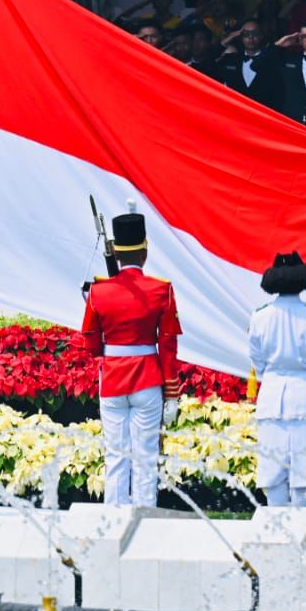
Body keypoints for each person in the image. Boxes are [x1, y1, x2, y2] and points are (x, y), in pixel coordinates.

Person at [80, 209, 183, 508]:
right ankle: (144, 516)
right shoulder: (161, 290)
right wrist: (172, 393)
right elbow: (167, 345)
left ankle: (113, 518)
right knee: (145, 456)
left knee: (115, 454)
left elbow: (91, 344)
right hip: (148, 379)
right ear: (145, 252)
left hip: (112, 378)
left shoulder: (99, 291)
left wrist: (106, 344)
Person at [247, 252, 306, 507]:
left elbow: (257, 364)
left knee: (273, 478)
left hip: (272, 398)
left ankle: (276, 534)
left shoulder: (260, 316)